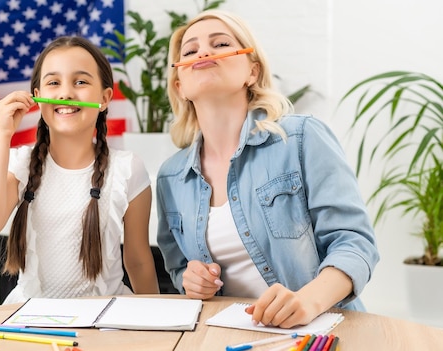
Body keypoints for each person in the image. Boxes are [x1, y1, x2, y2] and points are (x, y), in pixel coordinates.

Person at [157, 10, 379, 328]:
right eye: (190, 51)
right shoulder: (171, 177)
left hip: (323, 331)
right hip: (229, 335)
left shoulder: (302, 138)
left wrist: (309, 300)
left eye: (220, 44)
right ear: (180, 86)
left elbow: (355, 242)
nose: (203, 52)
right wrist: (191, 280)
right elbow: (178, 268)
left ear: (252, 71)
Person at [0, 36, 159, 303]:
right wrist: (2, 134)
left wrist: (155, 325)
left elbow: (139, 261)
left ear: (105, 98)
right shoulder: (20, 163)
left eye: (80, 82)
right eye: (53, 83)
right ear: (37, 97)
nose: (66, 93)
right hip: (30, 320)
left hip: (105, 319)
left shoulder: (127, 168)